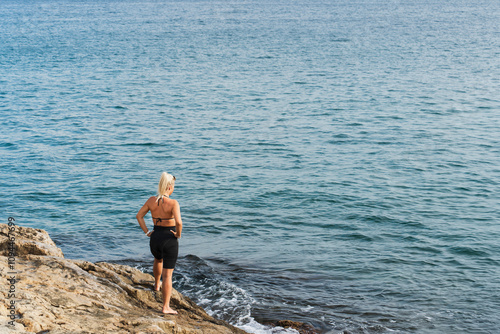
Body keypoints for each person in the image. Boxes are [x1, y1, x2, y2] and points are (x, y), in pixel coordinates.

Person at [136, 172, 182, 315]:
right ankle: (166, 307)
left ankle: (156, 284)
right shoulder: (173, 203)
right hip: (169, 238)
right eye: (173, 186)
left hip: (155, 237)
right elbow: (179, 222)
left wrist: (147, 232)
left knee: (158, 259)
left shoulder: (151, 200)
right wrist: (178, 234)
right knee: (167, 275)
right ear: (169, 187)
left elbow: (139, 216)